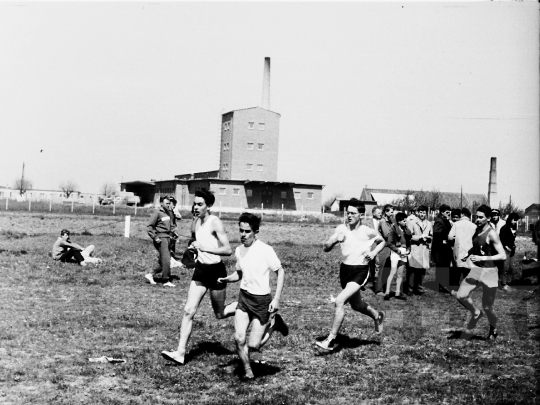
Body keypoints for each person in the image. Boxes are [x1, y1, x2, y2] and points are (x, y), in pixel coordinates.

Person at [161, 188, 237, 365]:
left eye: (200, 204)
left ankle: (249, 306)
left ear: (209, 206)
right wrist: (193, 248)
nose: (196, 207)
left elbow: (227, 249)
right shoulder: (195, 222)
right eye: (194, 203)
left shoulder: (215, 222)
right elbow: (196, 242)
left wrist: (204, 247)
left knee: (220, 313)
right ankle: (180, 353)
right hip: (201, 270)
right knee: (188, 310)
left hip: (216, 271)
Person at [217, 213, 288, 380]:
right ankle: (248, 370)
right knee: (239, 337)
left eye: (247, 231)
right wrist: (228, 279)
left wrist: (276, 299)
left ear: (255, 231)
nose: (243, 234)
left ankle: (275, 324)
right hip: (244, 298)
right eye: (241, 230)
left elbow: (281, 272)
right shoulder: (239, 251)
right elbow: (240, 273)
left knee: (253, 345)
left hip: (262, 300)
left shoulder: (265, 250)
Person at [315, 199, 386, 351]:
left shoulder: (367, 231)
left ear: (361, 214)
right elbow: (325, 247)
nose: (349, 216)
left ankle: (330, 340)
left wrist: (373, 253)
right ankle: (377, 315)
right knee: (356, 305)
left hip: (361, 271)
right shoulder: (341, 229)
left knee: (339, 301)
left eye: (353, 213)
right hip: (345, 270)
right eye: (348, 213)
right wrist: (334, 241)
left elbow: (382, 241)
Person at [454, 204, 506, 340]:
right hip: (476, 270)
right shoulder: (477, 230)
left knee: (488, 307)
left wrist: (483, 257)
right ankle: (476, 312)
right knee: (461, 295)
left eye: (481, 217)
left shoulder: (492, 234)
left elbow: (502, 256)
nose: (477, 219)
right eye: (476, 217)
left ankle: (493, 328)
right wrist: (468, 254)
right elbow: (477, 246)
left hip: (489, 272)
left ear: (488, 218)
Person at [146, 196, 177, 287]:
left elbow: (172, 225)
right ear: (161, 203)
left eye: (169, 203)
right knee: (166, 259)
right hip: (160, 238)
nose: (169, 205)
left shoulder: (169, 213)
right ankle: (166, 280)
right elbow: (149, 227)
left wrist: (174, 233)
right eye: (167, 203)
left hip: (168, 238)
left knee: (163, 260)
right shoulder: (157, 213)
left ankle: (150, 274)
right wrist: (154, 237)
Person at [384, 212, 412, 301]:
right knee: (393, 272)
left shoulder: (406, 230)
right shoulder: (393, 230)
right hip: (396, 252)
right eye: (404, 221)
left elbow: (409, 241)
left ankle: (397, 292)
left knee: (400, 274)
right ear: (399, 221)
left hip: (404, 253)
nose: (406, 222)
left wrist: (408, 251)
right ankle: (387, 292)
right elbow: (389, 243)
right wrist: (398, 250)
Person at [448, 208, 477, 291]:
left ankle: (454, 289)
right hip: (469, 251)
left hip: (458, 250)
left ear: (463, 214)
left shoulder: (456, 224)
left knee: (456, 271)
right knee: (467, 270)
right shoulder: (474, 226)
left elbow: (450, 237)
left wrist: (455, 239)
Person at [407, 205, 432, 295]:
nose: (422, 214)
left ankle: (419, 288)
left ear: (426, 213)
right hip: (415, 248)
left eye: (424, 212)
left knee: (422, 269)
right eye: (420, 212)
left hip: (424, 248)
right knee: (413, 269)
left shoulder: (429, 223)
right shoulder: (412, 222)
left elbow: (431, 235)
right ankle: (410, 288)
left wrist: (429, 238)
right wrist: (419, 238)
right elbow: (408, 236)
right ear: (417, 212)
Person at [432, 204, 453, 293]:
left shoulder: (446, 221)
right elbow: (436, 233)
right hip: (441, 250)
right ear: (442, 212)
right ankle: (441, 285)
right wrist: (442, 241)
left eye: (449, 212)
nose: (449, 214)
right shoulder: (439, 221)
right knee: (442, 267)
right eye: (447, 212)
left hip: (445, 249)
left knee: (444, 267)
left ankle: (442, 285)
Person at [375, 204, 394, 295]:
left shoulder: (390, 221)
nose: (392, 213)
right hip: (384, 247)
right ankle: (379, 289)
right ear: (386, 212)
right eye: (391, 211)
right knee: (382, 269)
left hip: (389, 247)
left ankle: (385, 288)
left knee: (387, 268)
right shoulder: (383, 221)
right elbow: (387, 235)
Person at [498, 213, 520, 291]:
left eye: (516, 220)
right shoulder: (504, 228)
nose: (515, 222)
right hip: (506, 250)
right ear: (510, 219)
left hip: (512, 250)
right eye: (514, 220)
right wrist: (506, 248)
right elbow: (502, 240)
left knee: (511, 267)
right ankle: (503, 284)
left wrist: (514, 234)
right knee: (505, 267)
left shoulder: (513, 228)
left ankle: (508, 282)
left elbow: (512, 239)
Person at [364, 205, 382, 288]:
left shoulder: (383, 221)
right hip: (372, 245)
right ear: (374, 213)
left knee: (378, 263)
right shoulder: (368, 223)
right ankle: (369, 278)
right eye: (379, 213)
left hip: (381, 245)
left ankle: (376, 280)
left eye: (381, 213)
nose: (380, 214)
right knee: (371, 263)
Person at [168, 196, 182, 260]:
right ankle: (168, 256)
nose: (172, 204)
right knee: (169, 243)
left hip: (173, 228)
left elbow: (179, 217)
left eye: (173, 203)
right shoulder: (166, 211)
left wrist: (176, 214)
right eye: (170, 203)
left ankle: (172, 256)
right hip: (169, 229)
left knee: (173, 242)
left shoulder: (174, 210)